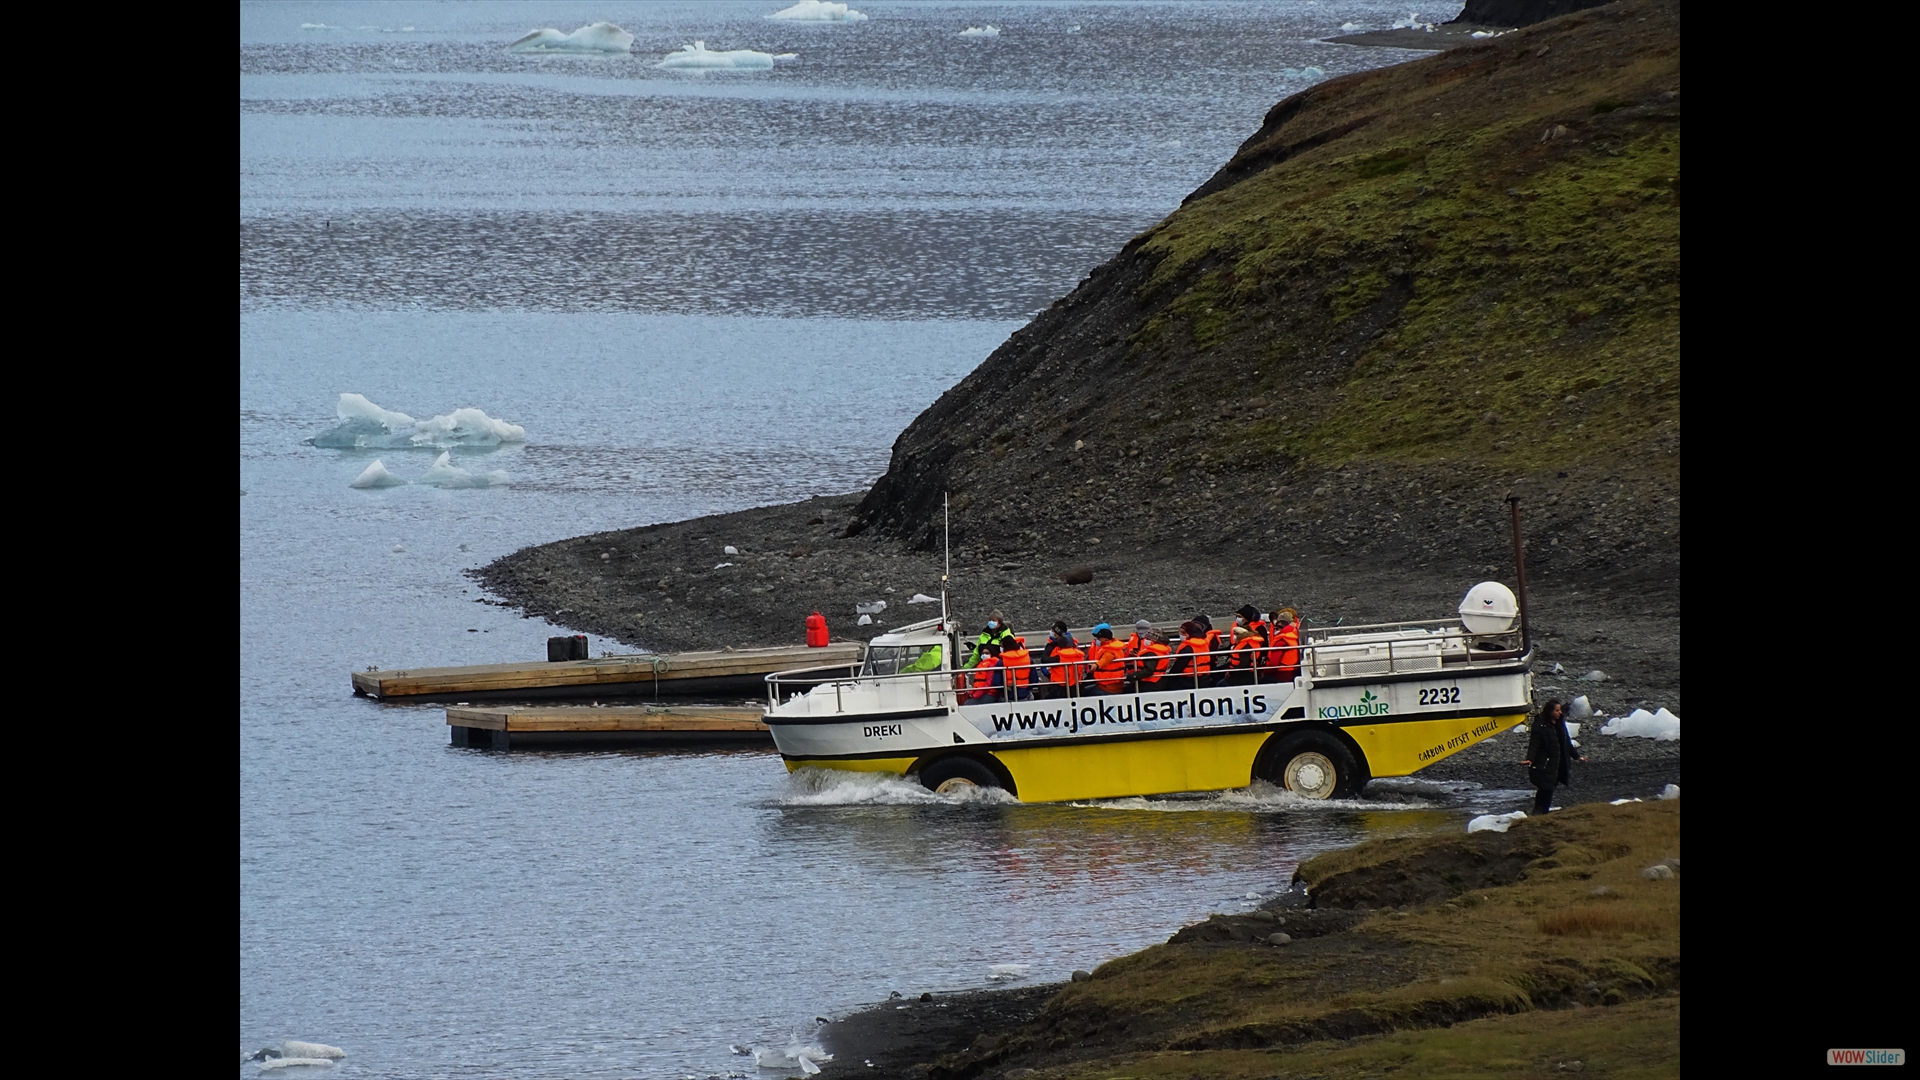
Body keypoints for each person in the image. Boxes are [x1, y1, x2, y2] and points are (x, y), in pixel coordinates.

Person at [1522, 699, 1585, 813]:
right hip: (1545, 763)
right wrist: (1530, 759)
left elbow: (1566, 743)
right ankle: (1539, 812)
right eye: (1557, 710)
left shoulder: (1560, 724)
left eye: (1560, 710)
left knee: (1550, 788)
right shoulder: (1541, 725)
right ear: (1550, 711)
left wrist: (1577, 756)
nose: (1560, 712)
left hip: (1558, 763)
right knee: (1545, 788)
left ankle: (1541, 812)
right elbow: (1534, 743)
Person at [1036, 622, 1086, 699]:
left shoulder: (1058, 653)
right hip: (1073, 682)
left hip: (1060, 682)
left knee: (1046, 690)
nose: (1052, 633)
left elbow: (1045, 659)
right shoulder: (1077, 652)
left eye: (1053, 631)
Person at [1165, 620, 1215, 687]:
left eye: (1183, 633)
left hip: (1187, 680)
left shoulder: (1188, 648)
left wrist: (1170, 677)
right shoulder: (1204, 643)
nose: (1181, 635)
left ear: (1190, 633)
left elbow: (1178, 667)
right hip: (1204, 678)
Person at [1087, 624, 1128, 694]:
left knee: (1086, 693)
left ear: (1106, 639)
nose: (1097, 640)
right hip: (1110, 683)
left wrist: (1096, 666)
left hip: (1108, 686)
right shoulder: (1113, 647)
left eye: (1099, 638)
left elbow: (1105, 660)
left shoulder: (1109, 650)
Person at [1223, 616, 1265, 685]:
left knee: (1221, 684)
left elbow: (1245, 664)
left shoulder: (1246, 646)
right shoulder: (1247, 643)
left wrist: (1231, 671)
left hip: (1244, 675)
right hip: (1247, 673)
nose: (1234, 636)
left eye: (1236, 634)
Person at [1267, 608, 1301, 682]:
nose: (1275, 630)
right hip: (1291, 671)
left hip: (1282, 673)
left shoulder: (1282, 641)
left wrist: (1264, 671)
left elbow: (1274, 663)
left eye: (1277, 628)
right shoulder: (1292, 635)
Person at [1000, 636, 1034, 701]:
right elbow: (1034, 679)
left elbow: (997, 682)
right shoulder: (1028, 658)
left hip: (1008, 695)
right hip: (1025, 693)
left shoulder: (1001, 661)